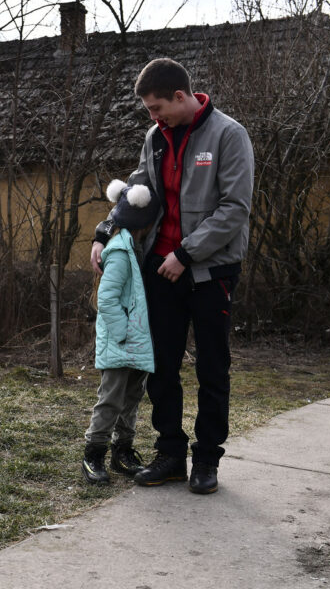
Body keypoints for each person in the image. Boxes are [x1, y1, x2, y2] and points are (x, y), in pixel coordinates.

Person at [90, 58, 253, 494]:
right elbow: (138, 192)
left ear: (180, 97)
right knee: (160, 365)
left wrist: (186, 253)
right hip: (159, 269)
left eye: (156, 107)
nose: (152, 115)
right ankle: (170, 454)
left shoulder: (228, 135)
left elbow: (235, 209)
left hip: (210, 271)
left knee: (212, 367)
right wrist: (106, 231)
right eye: (149, 109)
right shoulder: (155, 138)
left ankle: (206, 461)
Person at [82, 180, 159, 485]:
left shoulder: (137, 248)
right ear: (146, 222)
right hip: (122, 342)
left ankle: (122, 451)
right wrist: (123, 335)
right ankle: (94, 454)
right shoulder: (119, 252)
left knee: (131, 398)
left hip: (137, 343)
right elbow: (107, 299)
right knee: (111, 399)